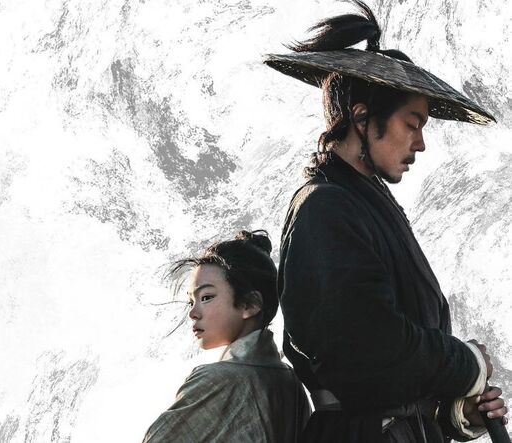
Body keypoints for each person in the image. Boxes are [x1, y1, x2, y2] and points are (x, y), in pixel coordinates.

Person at [264, 1, 507, 442]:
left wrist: (459, 411)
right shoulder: (324, 209)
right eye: (413, 123)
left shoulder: (367, 207)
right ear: (362, 118)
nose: (421, 143)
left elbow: (403, 376)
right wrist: (467, 363)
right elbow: (370, 350)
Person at [143, 230, 311, 443]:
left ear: (250, 304)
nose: (193, 313)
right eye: (191, 301)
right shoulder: (291, 380)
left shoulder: (218, 379)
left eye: (206, 297)